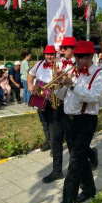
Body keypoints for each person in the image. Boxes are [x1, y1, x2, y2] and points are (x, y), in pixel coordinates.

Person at [52, 40, 102, 203]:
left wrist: (73, 85)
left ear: (91, 56)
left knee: (73, 167)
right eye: (77, 56)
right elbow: (63, 96)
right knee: (79, 156)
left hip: (85, 122)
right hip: (69, 121)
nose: (78, 60)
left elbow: (94, 97)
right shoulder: (74, 71)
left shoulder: (99, 73)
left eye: (82, 57)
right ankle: (90, 190)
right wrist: (59, 85)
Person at [43, 37, 78, 183]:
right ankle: (57, 170)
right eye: (61, 48)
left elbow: (78, 87)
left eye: (65, 48)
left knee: (72, 142)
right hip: (59, 105)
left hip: (73, 107)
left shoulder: (80, 64)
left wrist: (68, 79)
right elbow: (57, 85)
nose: (61, 51)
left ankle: (80, 166)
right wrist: (53, 90)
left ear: (73, 49)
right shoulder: (59, 63)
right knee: (56, 140)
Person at [28, 45, 56, 153]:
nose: (49, 56)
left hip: (52, 98)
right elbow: (30, 74)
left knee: (52, 123)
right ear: (44, 54)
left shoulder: (58, 65)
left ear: (55, 54)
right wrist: (30, 85)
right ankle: (49, 142)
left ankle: (54, 146)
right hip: (39, 96)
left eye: (51, 54)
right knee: (44, 121)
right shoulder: (39, 64)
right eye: (47, 54)